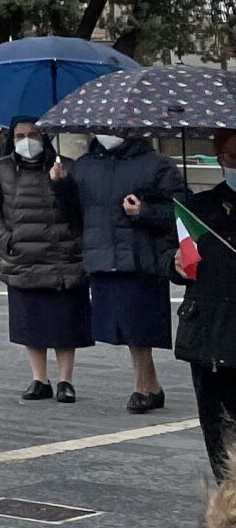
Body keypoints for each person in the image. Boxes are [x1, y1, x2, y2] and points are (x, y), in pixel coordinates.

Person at [0, 119, 91, 403]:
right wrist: (4, 239)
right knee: (31, 321)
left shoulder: (67, 166)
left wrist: (62, 184)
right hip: (22, 257)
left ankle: (66, 380)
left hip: (62, 257)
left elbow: (80, 210)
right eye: (21, 135)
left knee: (65, 323)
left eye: (33, 134)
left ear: (45, 136)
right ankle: (39, 378)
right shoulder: (0, 169)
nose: (27, 140)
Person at [73, 130, 181, 413]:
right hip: (103, 255)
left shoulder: (157, 164)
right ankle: (151, 386)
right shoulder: (84, 165)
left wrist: (143, 211)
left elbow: (180, 209)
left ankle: (143, 387)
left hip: (141, 256)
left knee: (138, 325)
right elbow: (72, 212)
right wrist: (60, 186)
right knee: (123, 326)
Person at [177, 129, 236, 479]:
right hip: (207, 334)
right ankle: (228, 506)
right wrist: (174, 262)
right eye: (232, 158)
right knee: (216, 432)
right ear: (219, 159)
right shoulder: (198, 208)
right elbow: (173, 254)